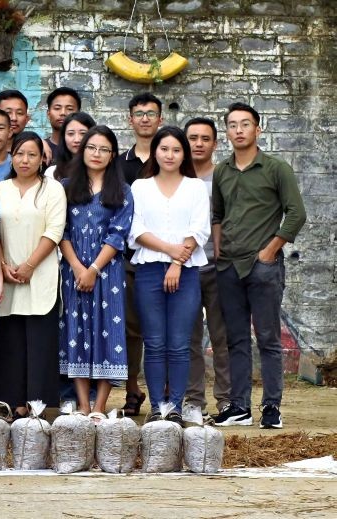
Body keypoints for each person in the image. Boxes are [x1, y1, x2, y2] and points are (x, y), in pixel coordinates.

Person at [212, 103, 306, 429]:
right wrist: (220, 252)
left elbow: (296, 213)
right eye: (233, 125)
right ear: (227, 131)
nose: (239, 130)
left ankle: (271, 408)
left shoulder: (276, 168)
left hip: (262, 266)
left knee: (267, 339)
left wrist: (270, 251)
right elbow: (218, 216)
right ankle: (239, 407)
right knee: (236, 340)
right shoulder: (222, 171)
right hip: (228, 268)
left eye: (245, 124)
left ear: (257, 130)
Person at [128, 126, 210, 425]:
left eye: (176, 150)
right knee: (154, 342)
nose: (170, 155)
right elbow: (135, 231)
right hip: (149, 271)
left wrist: (176, 262)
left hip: (186, 273)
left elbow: (199, 230)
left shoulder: (195, 187)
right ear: (155, 152)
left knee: (178, 342)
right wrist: (169, 251)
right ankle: (157, 406)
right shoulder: (140, 186)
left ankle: (174, 405)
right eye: (164, 149)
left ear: (183, 154)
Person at [59, 125, 133, 418]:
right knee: (75, 332)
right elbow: (59, 230)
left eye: (104, 149)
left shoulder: (122, 190)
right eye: (92, 147)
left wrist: (93, 268)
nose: (97, 154)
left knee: (109, 332)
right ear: (82, 150)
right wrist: (78, 268)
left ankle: (100, 407)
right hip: (73, 271)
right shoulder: (65, 187)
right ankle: (83, 404)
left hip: (108, 272)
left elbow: (118, 234)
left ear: (112, 154)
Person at [0, 132, 66, 417]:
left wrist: (29, 266)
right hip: (7, 275)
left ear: (42, 159)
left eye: (32, 154)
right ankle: (10, 405)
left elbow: (54, 231)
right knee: (10, 343)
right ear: (12, 155)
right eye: (20, 153)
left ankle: (39, 409)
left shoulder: (53, 189)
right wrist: (3, 266)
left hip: (41, 273)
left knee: (40, 344)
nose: (25, 160)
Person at [115, 92, 163, 416]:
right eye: (139, 113)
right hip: (130, 258)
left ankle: (166, 394)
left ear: (160, 119)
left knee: (163, 330)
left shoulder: (170, 157)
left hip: (165, 256)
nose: (145, 118)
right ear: (130, 119)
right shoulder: (119, 164)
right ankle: (133, 390)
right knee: (132, 330)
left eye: (151, 113)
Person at [182, 117, 230, 418]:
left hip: (219, 266)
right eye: (193, 138)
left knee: (222, 336)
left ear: (215, 143)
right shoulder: (178, 177)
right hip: (185, 267)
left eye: (205, 138)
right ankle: (193, 400)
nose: (198, 143)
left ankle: (226, 399)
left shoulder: (223, 177)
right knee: (188, 339)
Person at [46, 112, 95, 180]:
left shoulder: (101, 170)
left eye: (83, 133)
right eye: (71, 133)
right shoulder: (52, 172)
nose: (77, 140)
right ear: (63, 137)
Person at [44, 87, 81, 163]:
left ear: (78, 114)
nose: (63, 113)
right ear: (48, 114)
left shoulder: (87, 150)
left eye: (69, 109)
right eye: (57, 108)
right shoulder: (40, 148)